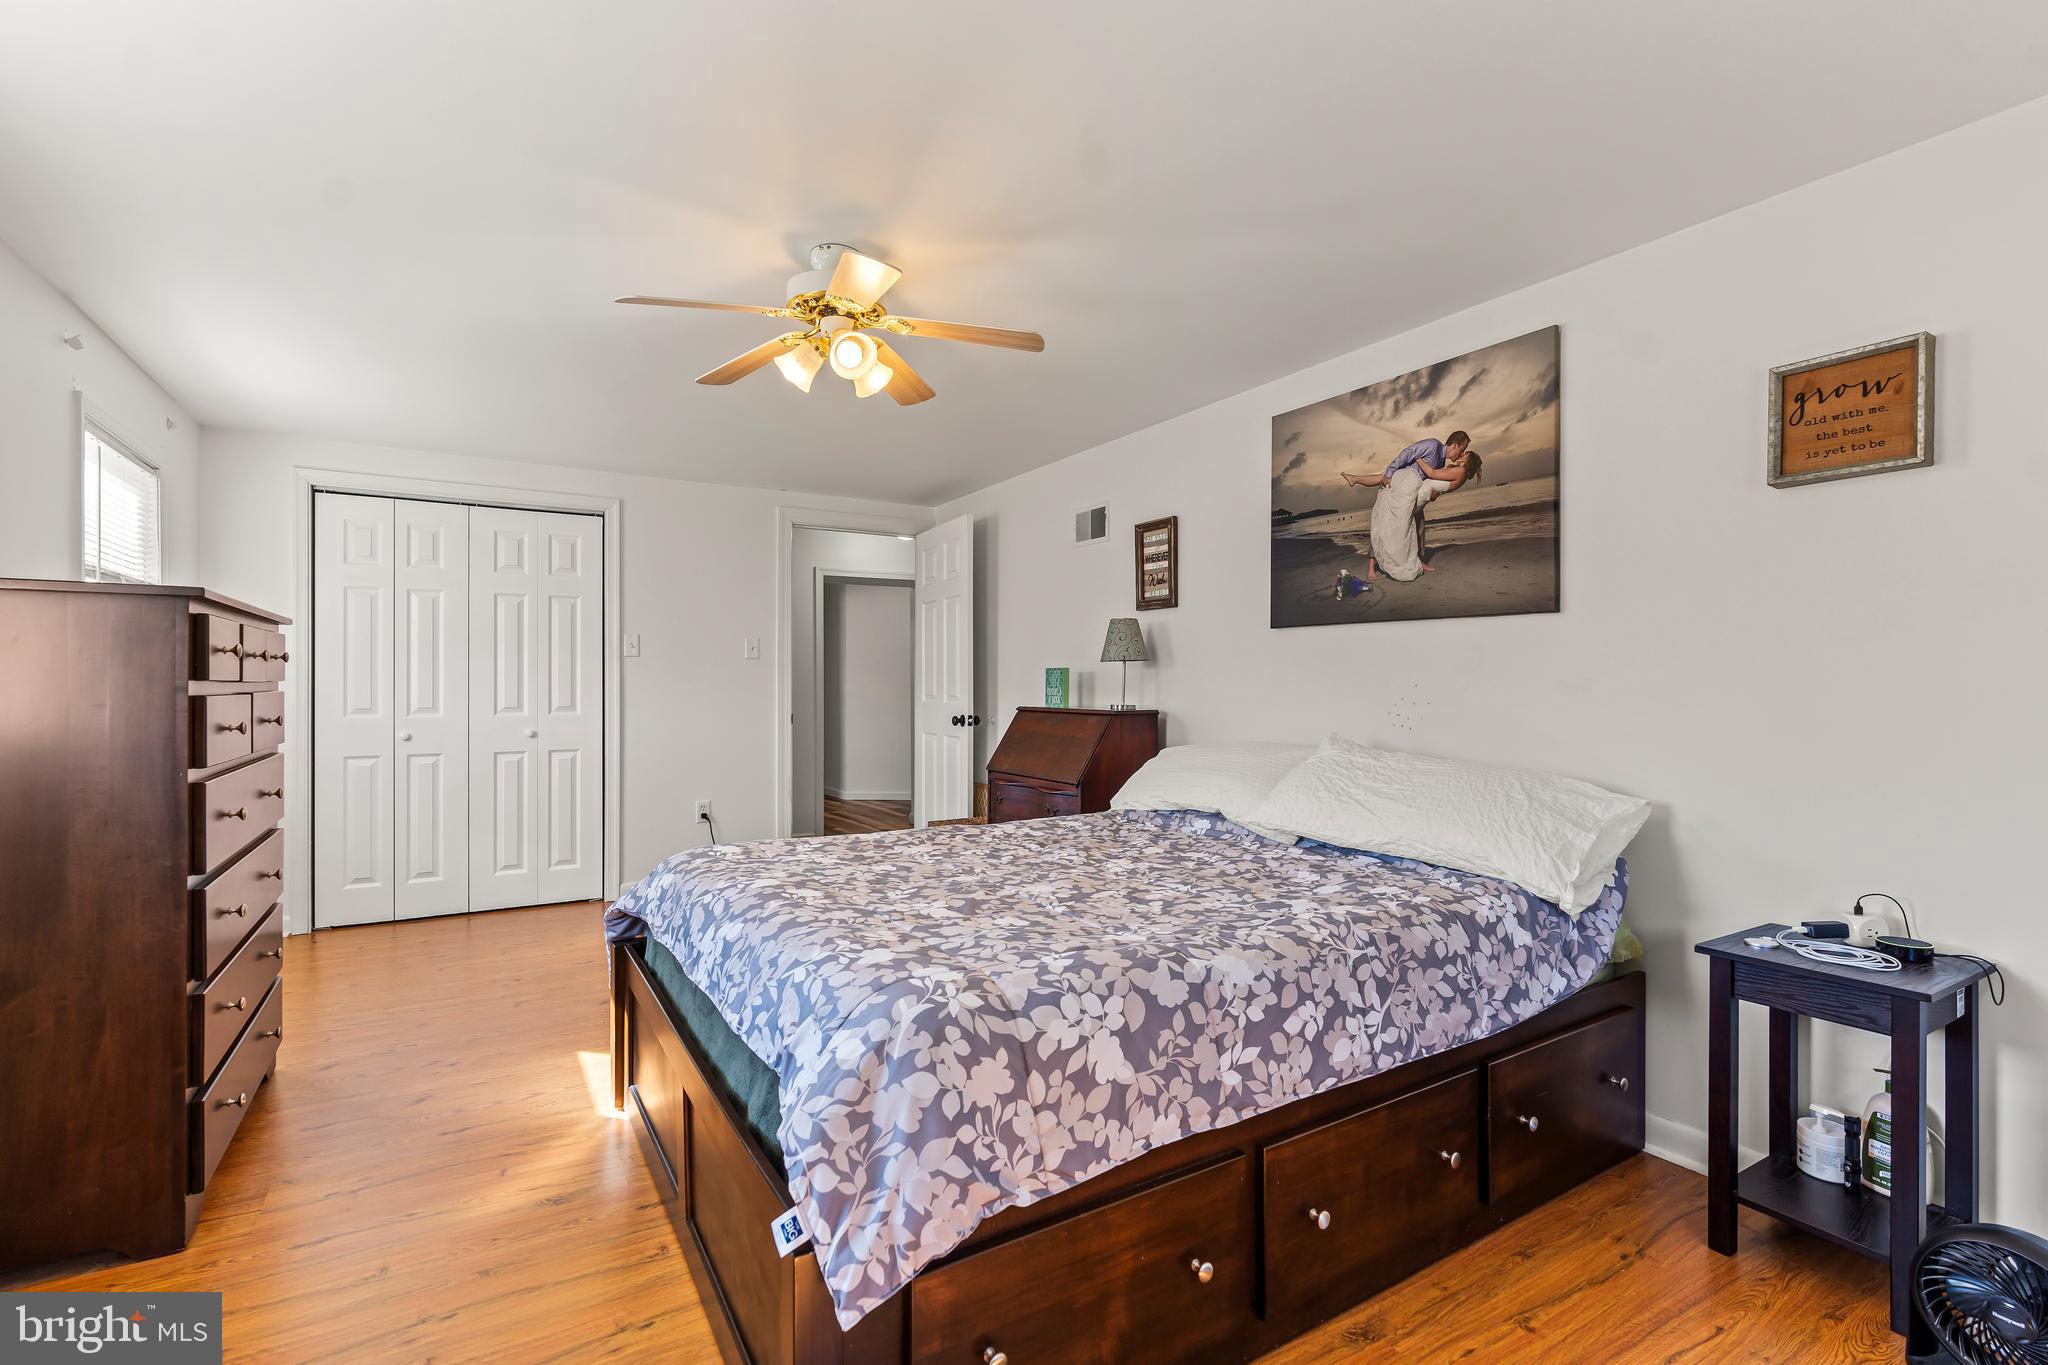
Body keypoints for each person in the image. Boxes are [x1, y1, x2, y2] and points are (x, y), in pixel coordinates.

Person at [1366, 450, 1482, 582]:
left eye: (1465, 455)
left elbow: (1431, 473)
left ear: (1469, 461)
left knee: (1386, 523)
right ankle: (1372, 565)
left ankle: (1415, 561)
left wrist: (1418, 458)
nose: (1461, 455)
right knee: (1393, 523)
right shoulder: (1457, 471)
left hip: (1413, 497)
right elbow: (1436, 484)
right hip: (1415, 496)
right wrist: (1435, 493)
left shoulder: (1461, 471)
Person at [1341, 430, 1472, 489]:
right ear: (1454, 445)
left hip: (1410, 488)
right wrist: (1390, 472)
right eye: (1462, 450)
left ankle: (1354, 479)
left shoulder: (1441, 462)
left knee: (1379, 478)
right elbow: (1408, 452)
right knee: (1382, 477)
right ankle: (1354, 479)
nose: (1462, 454)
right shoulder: (1432, 445)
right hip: (1402, 477)